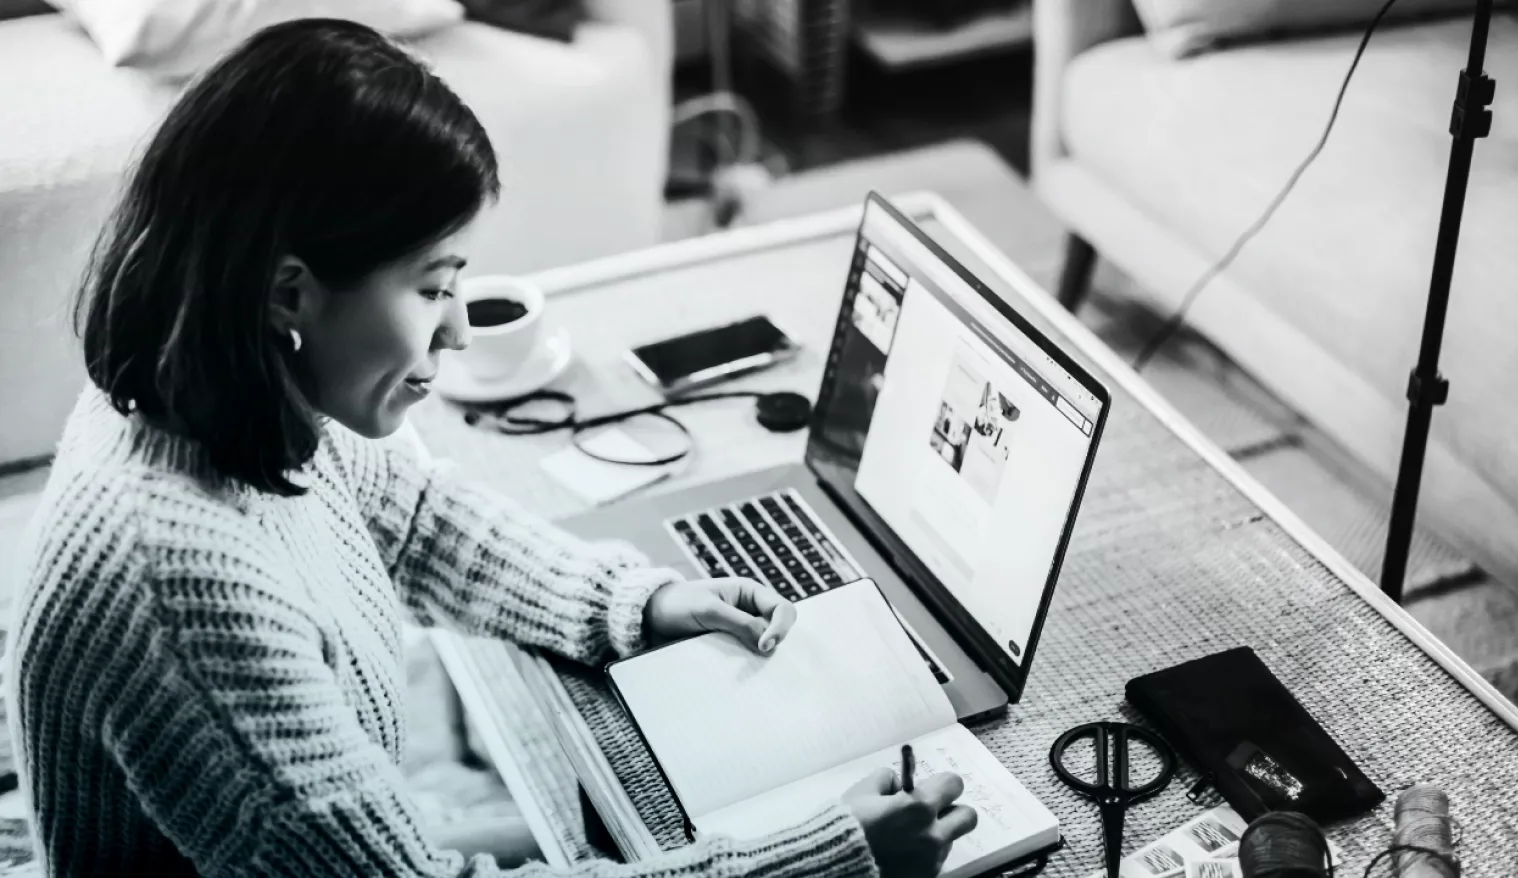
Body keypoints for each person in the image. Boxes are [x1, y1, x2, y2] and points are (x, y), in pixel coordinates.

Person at [3, 17, 978, 878]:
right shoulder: (187, 581)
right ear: (289, 291)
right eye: (433, 286)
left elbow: (420, 520)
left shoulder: (227, 388)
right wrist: (829, 861)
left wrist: (635, 598)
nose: (460, 330)